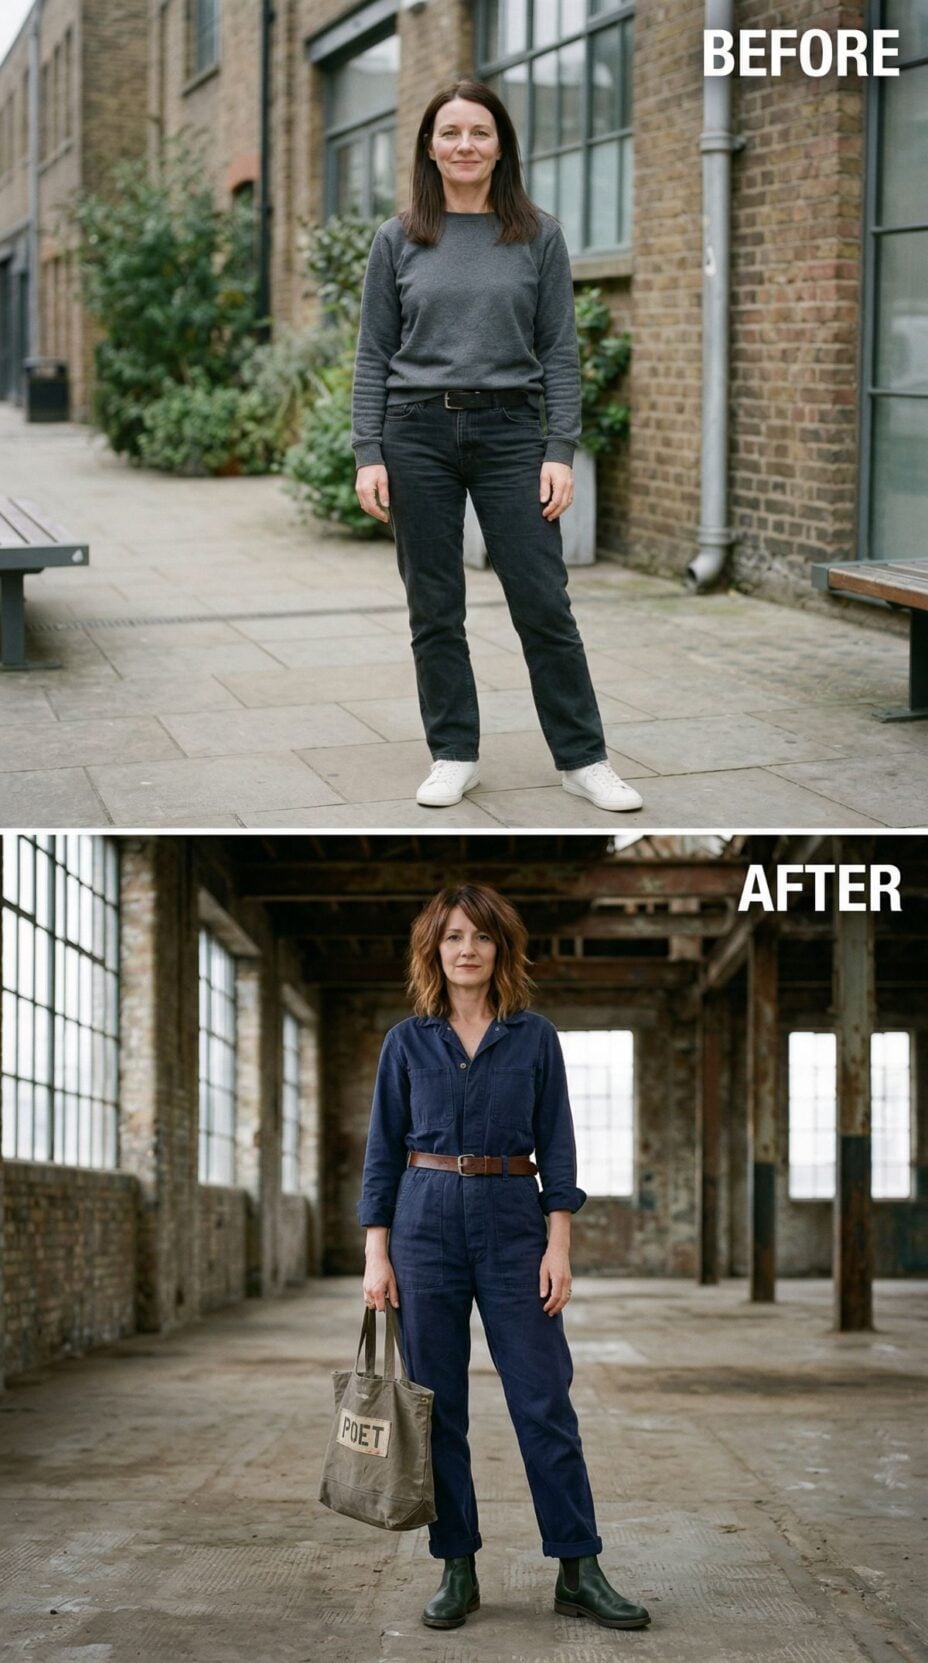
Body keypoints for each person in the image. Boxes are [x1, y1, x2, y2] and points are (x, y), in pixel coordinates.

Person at [358, 882, 651, 1632]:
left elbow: (557, 1146)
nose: (467, 949)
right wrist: (377, 1254)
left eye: (481, 937)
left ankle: (578, 1566)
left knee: (543, 1398)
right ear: (435, 948)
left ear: (500, 949)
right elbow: (382, 1154)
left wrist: (560, 1243)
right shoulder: (406, 1041)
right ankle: (456, 1565)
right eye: (453, 936)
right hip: (424, 1225)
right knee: (438, 1407)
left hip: (515, 1222)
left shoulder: (534, 1036)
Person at [351, 79, 644, 815]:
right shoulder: (399, 238)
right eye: (450, 133)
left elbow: (560, 352)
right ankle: (454, 753)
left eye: (479, 132)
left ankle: (584, 758)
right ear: (429, 146)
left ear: (501, 145)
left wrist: (559, 447)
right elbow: (372, 355)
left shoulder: (537, 236)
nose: (465, 146)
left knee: (544, 600)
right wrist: (368, 452)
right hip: (414, 431)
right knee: (435, 605)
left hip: (514, 433)